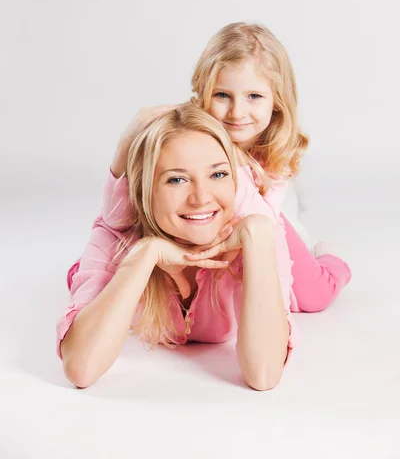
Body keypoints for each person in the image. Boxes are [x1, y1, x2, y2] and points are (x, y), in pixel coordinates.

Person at [105, 22, 351, 313]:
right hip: (198, 224)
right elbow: (119, 213)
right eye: (222, 95)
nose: (237, 112)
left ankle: (328, 260)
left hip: (264, 226)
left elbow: (259, 222)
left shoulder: (269, 155)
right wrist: (123, 152)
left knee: (314, 296)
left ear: (276, 101)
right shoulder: (187, 136)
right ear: (203, 92)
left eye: (254, 97)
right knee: (110, 274)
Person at [57, 105, 296, 391]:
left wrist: (258, 236)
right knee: (84, 275)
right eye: (177, 179)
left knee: (314, 293)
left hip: (280, 229)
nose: (201, 198)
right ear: (144, 189)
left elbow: (265, 375)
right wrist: (145, 254)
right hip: (137, 230)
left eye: (218, 174)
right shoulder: (116, 235)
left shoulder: (259, 231)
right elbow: (81, 369)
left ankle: (322, 252)